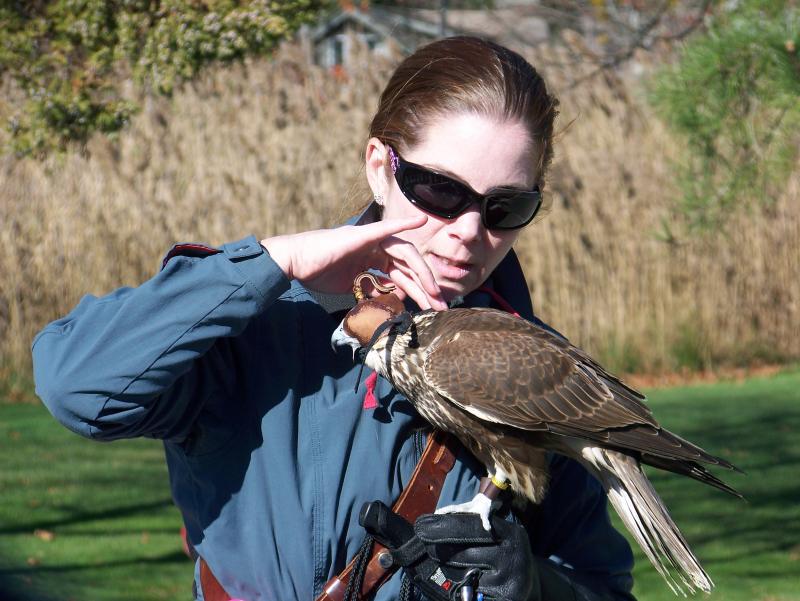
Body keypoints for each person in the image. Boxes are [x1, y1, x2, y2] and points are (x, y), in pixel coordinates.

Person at [32, 36, 636, 601]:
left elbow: (601, 586)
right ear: (381, 166)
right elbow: (79, 388)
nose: (469, 232)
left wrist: (533, 583)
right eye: (441, 190)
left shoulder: (542, 371)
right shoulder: (250, 322)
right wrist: (275, 264)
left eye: (506, 206)